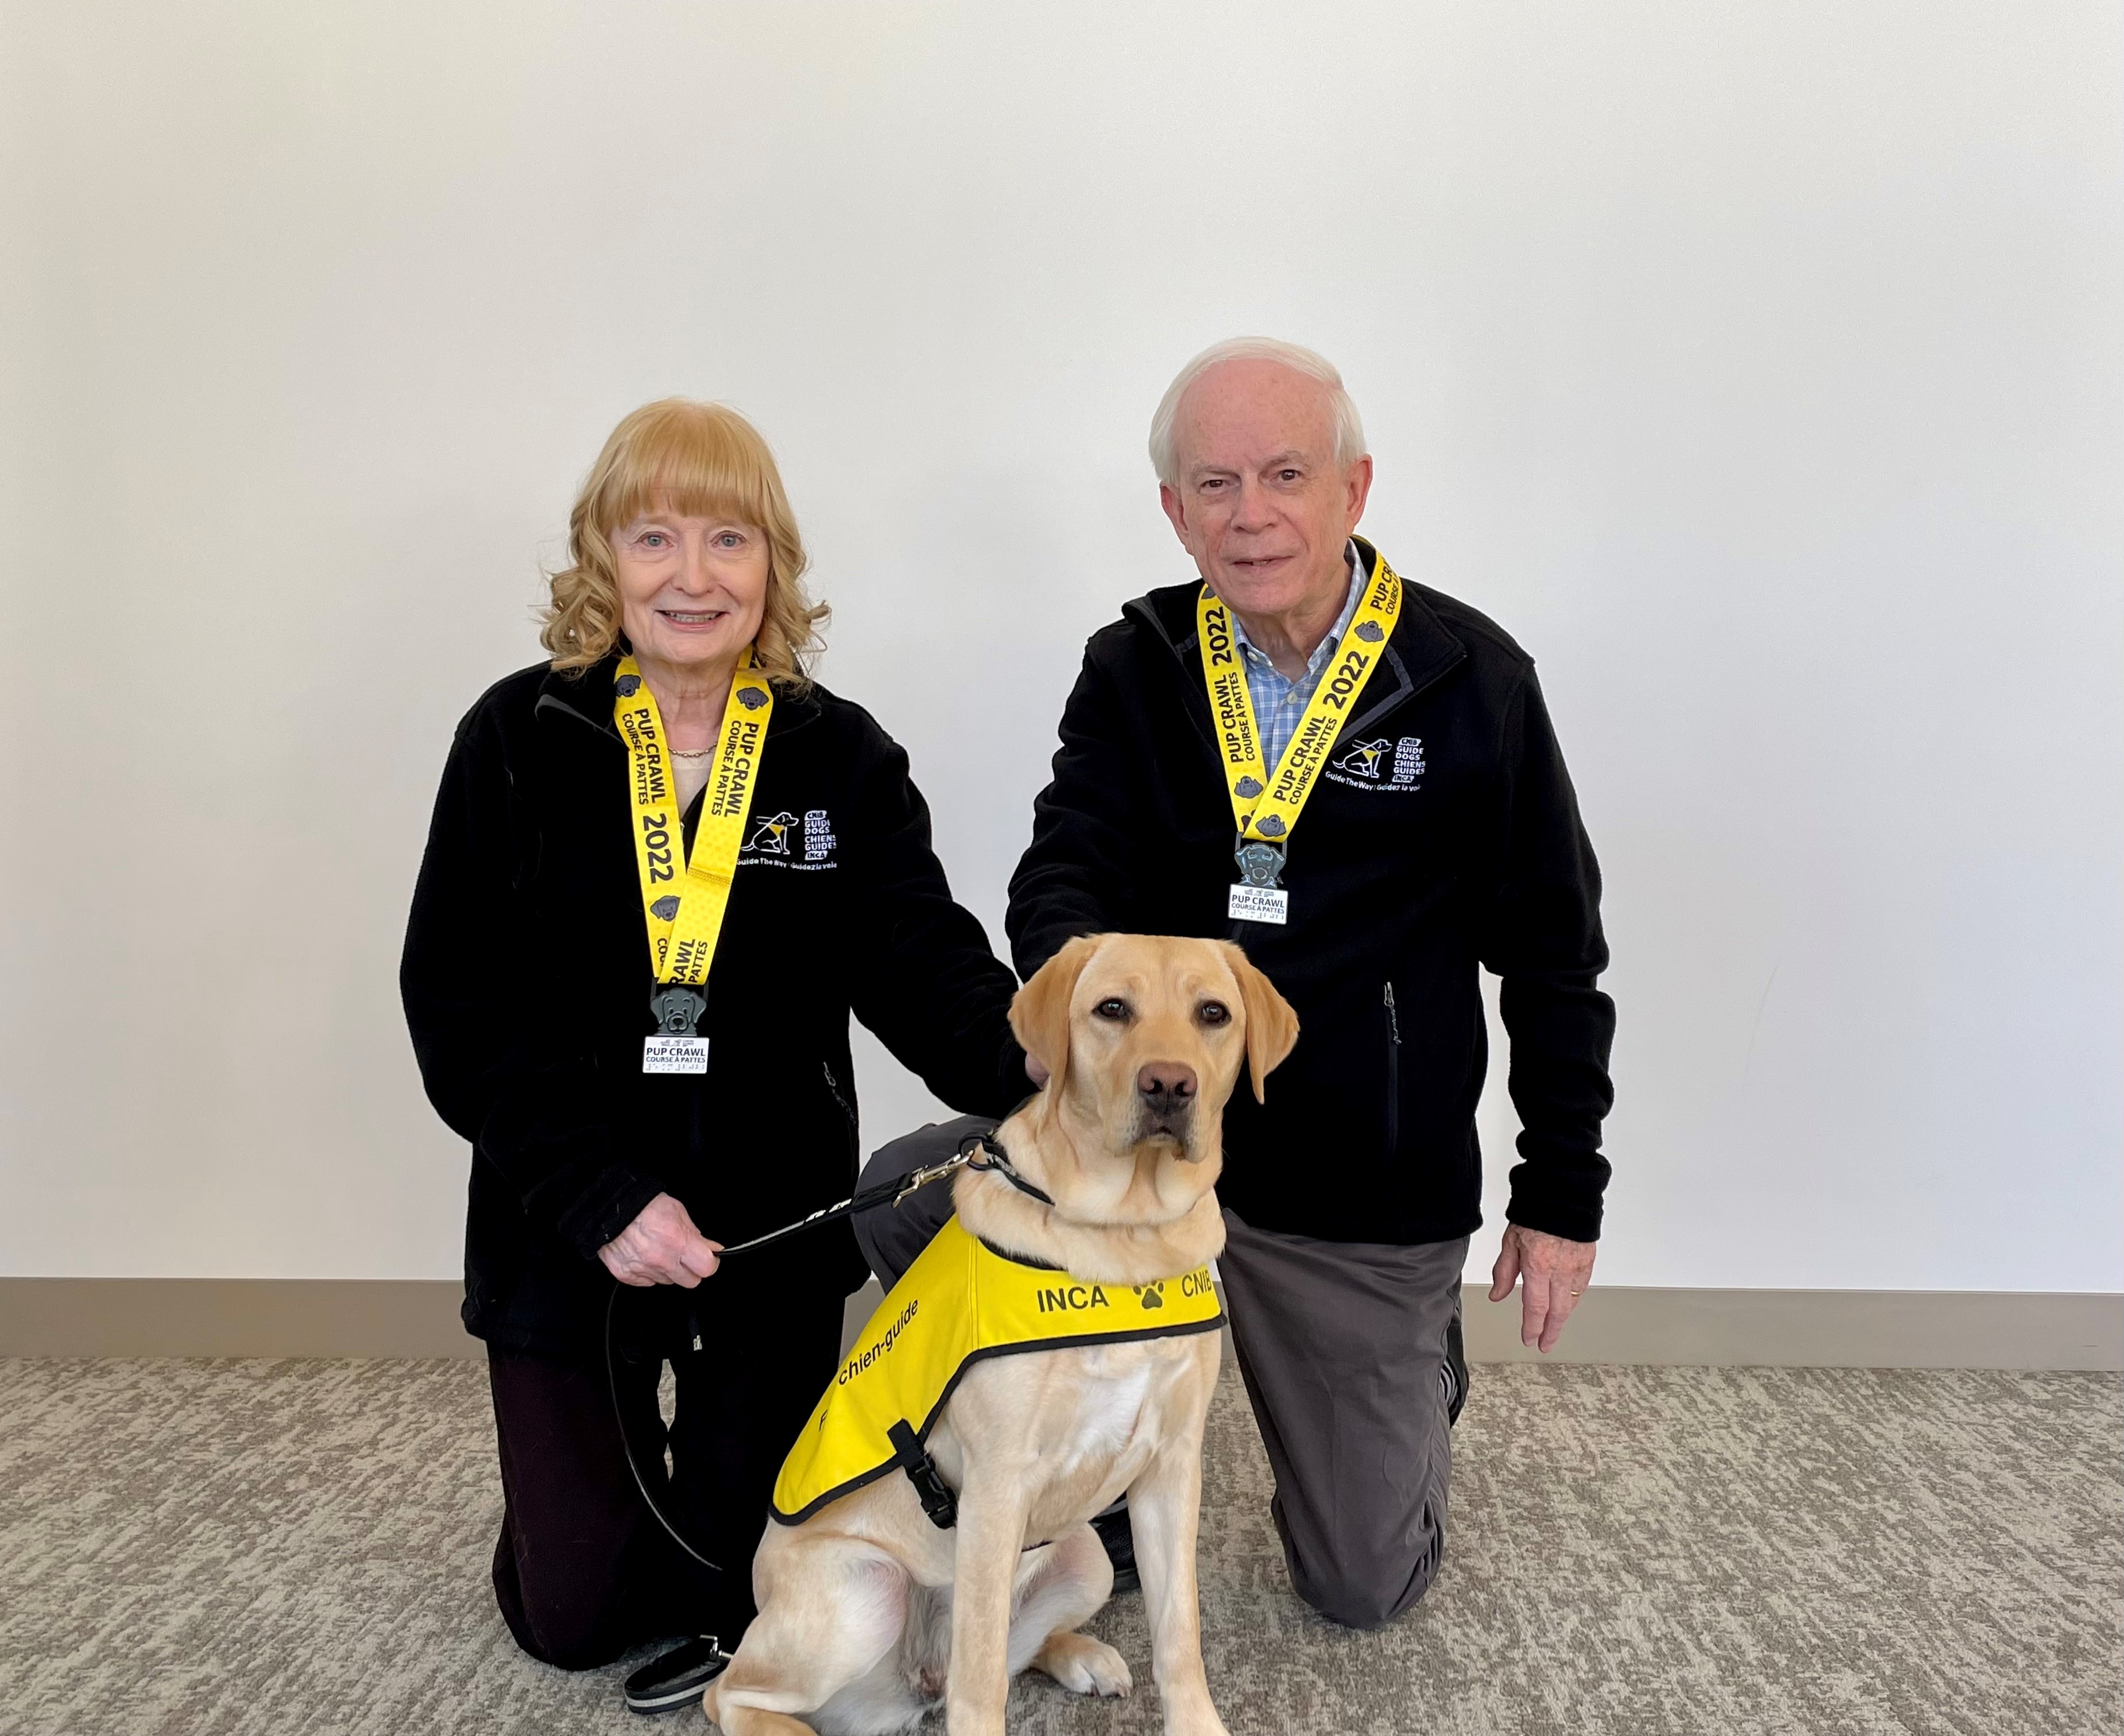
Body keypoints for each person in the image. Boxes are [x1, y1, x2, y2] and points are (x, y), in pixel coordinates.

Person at [856, 337, 1615, 1630]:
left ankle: (1405, 1361)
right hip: (1143, 1161)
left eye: (1283, 474)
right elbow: (1065, 864)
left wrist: (1559, 1192)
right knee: (899, 1197)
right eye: (1213, 484)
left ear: (1353, 489)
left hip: (1351, 1192)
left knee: (1361, 1586)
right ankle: (1096, 1481)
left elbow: (1552, 953)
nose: (1250, 513)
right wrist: (1065, 997)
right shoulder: (1139, 661)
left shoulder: (1469, 681)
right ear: (1172, 510)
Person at [400, 399, 1028, 1714]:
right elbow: (460, 1004)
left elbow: (922, 963)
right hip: (562, 1228)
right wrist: (599, 1201)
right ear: (600, 560)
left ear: (772, 566)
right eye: (655, 538)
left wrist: (1062, 1071)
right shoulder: (515, 742)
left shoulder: (834, 757)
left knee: (748, 1592)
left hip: (764, 1232)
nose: (693, 576)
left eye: (728, 538)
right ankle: (576, 1506)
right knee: (573, 1623)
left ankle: (696, 1513)